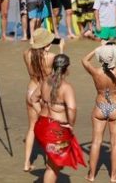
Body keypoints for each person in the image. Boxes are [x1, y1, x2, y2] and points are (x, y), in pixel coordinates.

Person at [82, 44, 116, 182]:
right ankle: (114, 175)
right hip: (115, 107)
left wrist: (97, 49)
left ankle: (91, 175)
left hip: (100, 106)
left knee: (95, 142)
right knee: (115, 144)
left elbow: (84, 60)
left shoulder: (96, 72)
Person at [32, 54, 86, 182]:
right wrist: (71, 124)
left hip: (42, 126)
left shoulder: (45, 82)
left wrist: (41, 113)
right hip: (56, 131)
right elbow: (72, 109)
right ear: (67, 69)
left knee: (53, 161)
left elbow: (33, 99)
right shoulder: (66, 87)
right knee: (53, 167)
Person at [22, 28, 58, 172]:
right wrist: (60, 50)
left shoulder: (26, 54)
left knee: (32, 127)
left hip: (31, 89)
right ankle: (49, 160)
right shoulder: (51, 57)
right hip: (43, 93)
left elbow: (32, 49)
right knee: (49, 127)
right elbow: (57, 75)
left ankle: (26, 163)